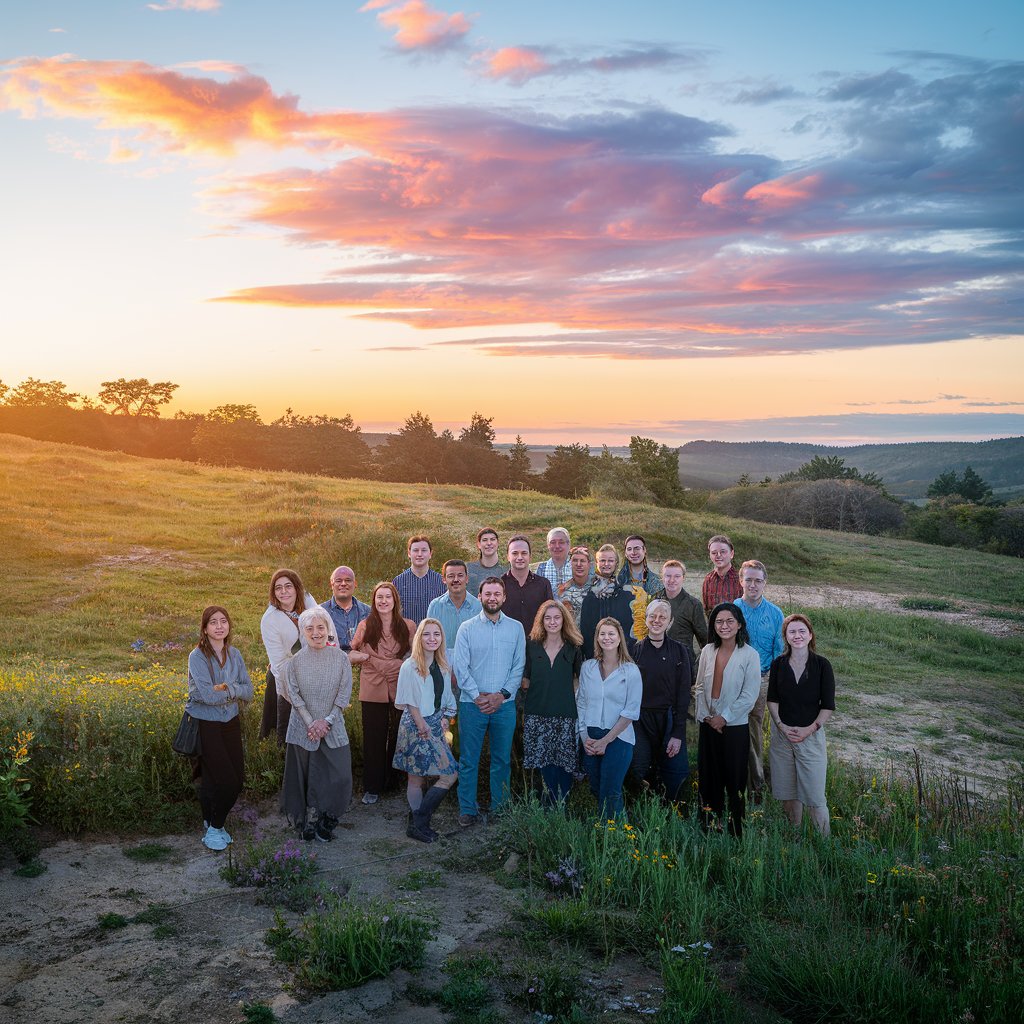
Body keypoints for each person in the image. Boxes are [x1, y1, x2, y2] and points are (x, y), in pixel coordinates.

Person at [452, 577, 526, 826]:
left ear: (504, 597)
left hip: (504, 705)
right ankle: (467, 809)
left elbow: (518, 666)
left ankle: (500, 807)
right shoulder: (467, 628)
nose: (492, 598)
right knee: (469, 759)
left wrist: (501, 695)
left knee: (501, 759)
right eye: (488, 594)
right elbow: (460, 668)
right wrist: (477, 696)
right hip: (472, 705)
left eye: (497, 594)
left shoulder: (515, 628)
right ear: (480, 596)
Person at [279, 607, 353, 842]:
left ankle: (327, 820)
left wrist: (327, 721)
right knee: (304, 777)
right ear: (303, 632)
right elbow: (294, 695)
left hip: (333, 724)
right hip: (303, 727)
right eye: (309, 628)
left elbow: (344, 694)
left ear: (328, 629)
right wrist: (311, 723)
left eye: (320, 627)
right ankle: (306, 824)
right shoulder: (295, 662)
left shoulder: (341, 658)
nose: (316, 632)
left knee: (339, 775)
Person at [186, 606, 254, 851]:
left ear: (228, 626)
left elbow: (249, 691)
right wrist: (233, 690)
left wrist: (226, 689)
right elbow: (205, 695)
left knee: (235, 779)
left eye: (223, 621)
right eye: (213, 622)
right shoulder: (197, 657)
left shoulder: (234, 654)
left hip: (230, 723)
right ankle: (214, 828)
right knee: (224, 780)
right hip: (207, 724)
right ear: (205, 629)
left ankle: (211, 823)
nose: (219, 626)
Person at [694, 603, 761, 837]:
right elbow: (700, 685)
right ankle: (709, 825)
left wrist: (724, 717)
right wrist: (706, 716)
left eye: (729, 621)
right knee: (708, 777)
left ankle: (735, 829)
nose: (724, 626)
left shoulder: (750, 655)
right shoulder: (707, 651)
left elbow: (749, 695)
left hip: (734, 726)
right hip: (708, 722)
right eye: (719, 622)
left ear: (739, 624)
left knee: (734, 779)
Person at [767, 614, 835, 836]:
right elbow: (772, 699)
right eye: (792, 632)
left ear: (810, 635)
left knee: (815, 798)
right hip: (782, 737)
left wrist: (810, 729)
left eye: (801, 631)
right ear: (786, 637)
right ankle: (794, 839)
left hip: (810, 736)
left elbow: (828, 706)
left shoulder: (822, 665)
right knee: (788, 794)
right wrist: (780, 725)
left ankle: (823, 845)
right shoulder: (778, 664)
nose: (797, 636)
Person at [393, 618, 459, 842]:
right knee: (416, 779)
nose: (432, 638)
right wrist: (422, 726)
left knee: (449, 774)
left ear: (441, 639)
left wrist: (445, 717)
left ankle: (419, 821)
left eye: (436, 634)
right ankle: (418, 824)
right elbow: (409, 701)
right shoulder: (410, 666)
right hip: (416, 726)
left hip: (434, 723)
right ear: (419, 638)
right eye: (427, 634)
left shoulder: (442, 666)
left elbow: (445, 698)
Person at [349, 582, 415, 805]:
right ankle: (372, 786)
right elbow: (351, 654)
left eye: (388, 597)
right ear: (374, 601)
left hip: (399, 687)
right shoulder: (365, 625)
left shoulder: (408, 626)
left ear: (395, 600)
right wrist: (370, 659)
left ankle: (394, 781)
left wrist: (397, 664)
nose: (383, 601)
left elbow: (415, 656)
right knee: (374, 738)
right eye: (379, 597)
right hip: (372, 686)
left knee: (398, 735)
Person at [577, 617, 642, 820]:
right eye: (602, 634)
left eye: (611, 633)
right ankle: (611, 830)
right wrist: (584, 737)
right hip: (591, 736)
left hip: (619, 738)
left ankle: (616, 838)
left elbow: (631, 711)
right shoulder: (587, 668)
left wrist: (606, 740)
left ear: (619, 637)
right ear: (597, 638)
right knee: (597, 788)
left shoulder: (630, 670)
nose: (607, 638)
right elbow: (581, 703)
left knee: (610, 790)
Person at [521, 600, 584, 806]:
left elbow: (579, 679)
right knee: (544, 761)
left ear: (564, 620)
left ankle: (562, 805)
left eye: (557, 617)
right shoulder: (532, 645)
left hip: (564, 712)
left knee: (564, 763)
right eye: (547, 618)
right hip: (537, 712)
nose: (552, 622)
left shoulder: (574, 647)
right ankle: (548, 805)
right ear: (541, 620)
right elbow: (525, 679)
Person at [628, 600, 690, 801]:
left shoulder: (680, 651)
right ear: (645, 619)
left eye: (662, 617)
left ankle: (672, 813)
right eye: (652, 616)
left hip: (668, 719)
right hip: (640, 720)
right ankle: (642, 811)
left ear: (670, 622)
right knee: (639, 767)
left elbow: (683, 694)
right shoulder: (634, 651)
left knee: (674, 771)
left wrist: (678, 732)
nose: (657, 620)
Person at [735, 559, 785, 799]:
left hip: (762, 679)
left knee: (753, 730)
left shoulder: (775, 614)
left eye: (758, 580)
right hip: (734, 680)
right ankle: (735, 781)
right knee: (734, 729)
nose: (752, 585)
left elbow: (779, 652)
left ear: (765, 583)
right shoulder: (733, 608)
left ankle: (756, 786)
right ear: (741, 581)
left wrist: (773, 685)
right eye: (748, 580)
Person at [259, 568, 318, 745]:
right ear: (273, 592)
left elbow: (323, 624)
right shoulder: (270, 619)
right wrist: (295, 683)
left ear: (296, 588)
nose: (283, 591)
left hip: (314, 663)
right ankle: (283, 753)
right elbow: (278, 662)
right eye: (278, 588)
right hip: (286, 669)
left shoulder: (307, 601)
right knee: (287, 712)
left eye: (288, 586)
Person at [579, 544, 636, 657]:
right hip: (593, 653)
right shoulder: (586, 592)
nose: (606, 564)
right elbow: (584, 627)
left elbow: (629, 626)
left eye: (610, 560)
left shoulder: (626, 592)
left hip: (621, 654)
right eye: (602, 560)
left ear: (616, 563)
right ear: (597, 563)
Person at [653, 559, 707, 665]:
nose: (672, 580)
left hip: (683, 662)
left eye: (677, 576)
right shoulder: (653, 601)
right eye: (668, 576)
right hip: (657, 660)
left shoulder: (694, 605)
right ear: (662, 578)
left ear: (683, 578)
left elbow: (704, 640)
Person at [426, 559, 482, 660]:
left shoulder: (478, 607)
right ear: (444, 579)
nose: (456, 580)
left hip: (471, 665)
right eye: (451, 576)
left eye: (460, 575)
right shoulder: (435, 606)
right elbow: (429, 641)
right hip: (442, 665)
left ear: (467, 579)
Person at [501, 534, 554, 633]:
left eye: (524, 553)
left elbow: (550, 616)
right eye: (515, 553)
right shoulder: (500, 585)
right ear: (508, 556)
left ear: (530, 556)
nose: (520, 557)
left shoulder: (543, 584)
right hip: (507, 642)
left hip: (537, 642)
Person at [392, 535, 445, 624]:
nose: (419, 554)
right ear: (409, 553)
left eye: (424, 550)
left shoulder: (441, 582)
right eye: (415, 550)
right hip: (406, 635)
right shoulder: (398, 582)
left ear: (430, 554)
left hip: (433, 635)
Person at [321, 565, 370, 652]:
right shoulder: (320, 612)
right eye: (338, 580)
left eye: (348, 580)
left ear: (355, 584)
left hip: (364, 662)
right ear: (331, 584)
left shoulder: (368, 612)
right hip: (331, 662)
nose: (343, 584)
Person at [701, 535, 742, 615]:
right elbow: (707, 610)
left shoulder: (741, 579)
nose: (718, 555)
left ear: (732, 554)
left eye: (723, 552)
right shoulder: (708, 579)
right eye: (714, 553)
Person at [535, 527, 574, 599]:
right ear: (548, 545)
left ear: (568, 545)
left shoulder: (577, 567)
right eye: (553, 542)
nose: (557, 546)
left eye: (561, 542)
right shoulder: (541, 568)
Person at [560, 546, 595, 626]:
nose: (579, 564)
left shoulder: (599, 588)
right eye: (575, 560)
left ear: (589, 564)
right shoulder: (563, 590)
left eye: (582, 561)